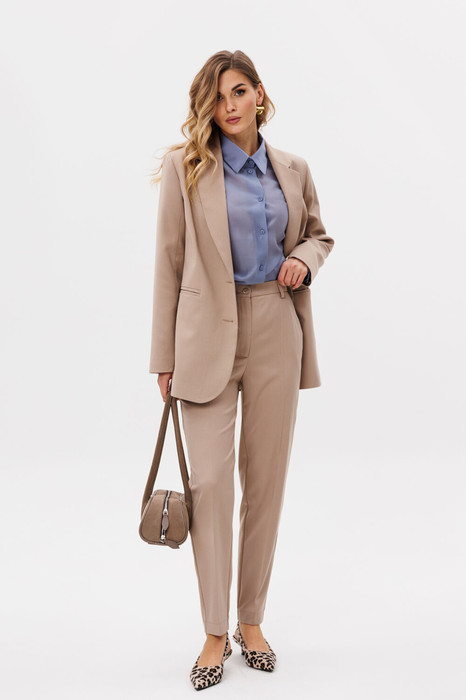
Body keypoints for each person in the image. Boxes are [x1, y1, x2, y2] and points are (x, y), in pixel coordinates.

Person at [149, 49, 334, 690]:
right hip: (205, 337)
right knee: (210, 486)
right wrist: (163, 357)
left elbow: (319, 234)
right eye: (217, 96)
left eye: (238, 91)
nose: (228, 106)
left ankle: (250, 620)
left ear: (259, 93)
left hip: (276, 324)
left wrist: (303, 259)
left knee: (266, 483)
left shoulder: (293, 168)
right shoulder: (186, 168)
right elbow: (168, 262)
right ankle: (213, 632)